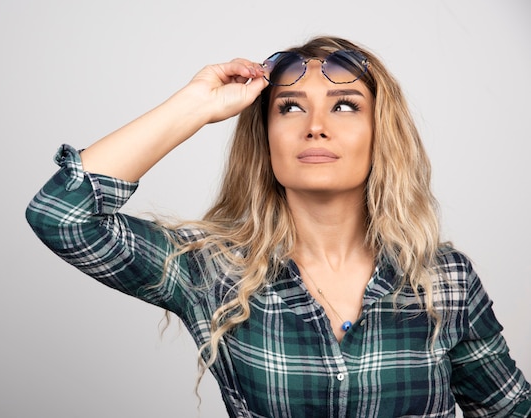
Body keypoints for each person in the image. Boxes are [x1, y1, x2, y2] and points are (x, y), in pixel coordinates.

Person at [26, 36, 531, 417]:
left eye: (345, 105)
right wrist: (197, 105)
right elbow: (62, 216)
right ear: (265, 136)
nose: (315, 125)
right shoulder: (214, 271)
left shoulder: (444, 280)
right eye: (290, 107)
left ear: (382, 135)